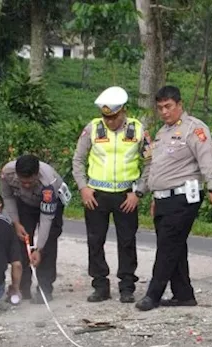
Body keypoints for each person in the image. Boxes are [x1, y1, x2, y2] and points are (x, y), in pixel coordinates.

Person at [135, 86, 212, 311]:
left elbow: (206, 159)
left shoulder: (194, 129)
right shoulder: (162, 133)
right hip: (164, 197)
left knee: (167, 246)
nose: (164, 112)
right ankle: (184, 294)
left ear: (179, 105)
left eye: (168, 106)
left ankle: (153, 295)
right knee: (174, 246)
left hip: (184, 196)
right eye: (160, 108)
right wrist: (151, 193)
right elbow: (154, 166)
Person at [72, 86, 148, 304]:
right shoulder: (93, 128)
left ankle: (127, 286)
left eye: (113, 117)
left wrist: (139, 192)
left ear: (123, 111)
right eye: (106, 117)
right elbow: (78, 159)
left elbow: (151, 162)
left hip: (126, 195)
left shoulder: (138, 129)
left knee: (127, 241)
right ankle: (100, 285)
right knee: (95, 240)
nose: (109, 121)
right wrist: (83, 187)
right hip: (96, 194)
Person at [0, 154, 71, 301]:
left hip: (52, 206)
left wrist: (39, 249)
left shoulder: (48, 183)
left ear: (36, 175)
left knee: (49, 243)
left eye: (29, 182)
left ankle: (45, 289)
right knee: (21, 240)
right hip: (25, 203)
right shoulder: (7, 173)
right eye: (22, 182)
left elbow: (46, 218)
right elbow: (8, 197)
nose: (25, 185)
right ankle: (22, 287)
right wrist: (16, 222)